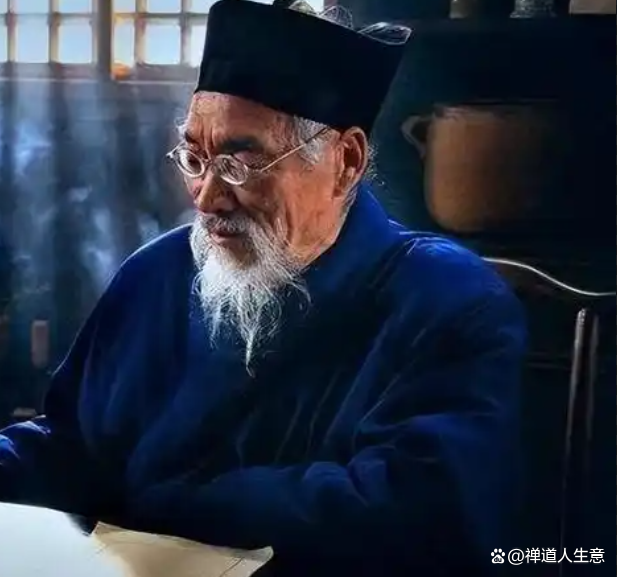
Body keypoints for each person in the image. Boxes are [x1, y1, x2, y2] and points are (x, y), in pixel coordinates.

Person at [0, 1, 527, 575]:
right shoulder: (157, 274)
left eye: (239, 165)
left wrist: (170, 504)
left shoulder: (448, 300)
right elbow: (71, 444)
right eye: (195, 158)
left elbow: (412, 509)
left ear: (346, 161)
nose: (206, 197)